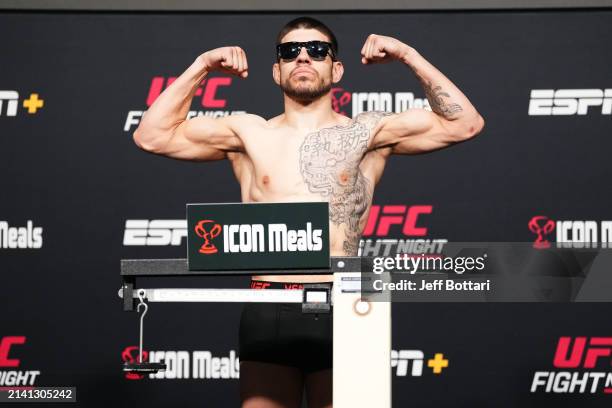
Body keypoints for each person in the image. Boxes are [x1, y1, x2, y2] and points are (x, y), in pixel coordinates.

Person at [133, 16, 484, 408]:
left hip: (349, 304)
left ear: (336, 69)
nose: (303, 57)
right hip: (269, 307)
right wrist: (202, 65)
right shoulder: (248, 133)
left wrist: (408, 55)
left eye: (317, 51)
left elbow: (465, 124)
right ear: (276, 70)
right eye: (290, 52)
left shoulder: (367, 132)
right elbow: (151, 135)